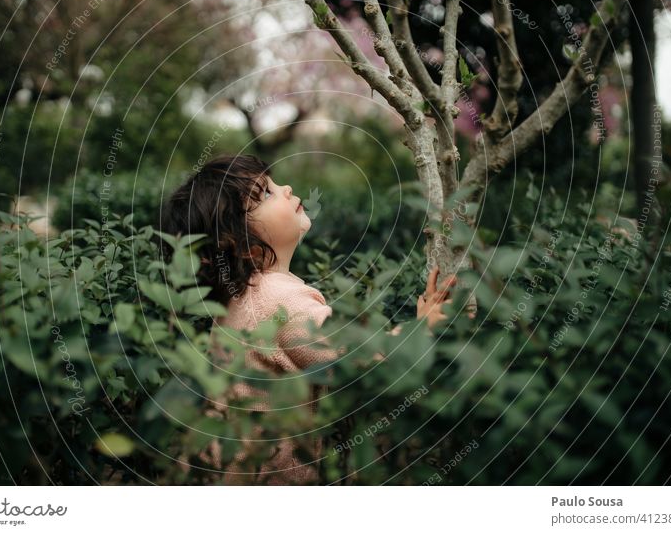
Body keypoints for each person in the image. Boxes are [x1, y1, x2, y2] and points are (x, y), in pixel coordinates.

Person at [161, 154, 458, 484]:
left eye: (273, 183)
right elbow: (363, 362)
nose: (286, 188)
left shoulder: (243, 296)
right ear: (241, 245)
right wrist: (422, 328)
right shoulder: (280, 300)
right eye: (265, 194)